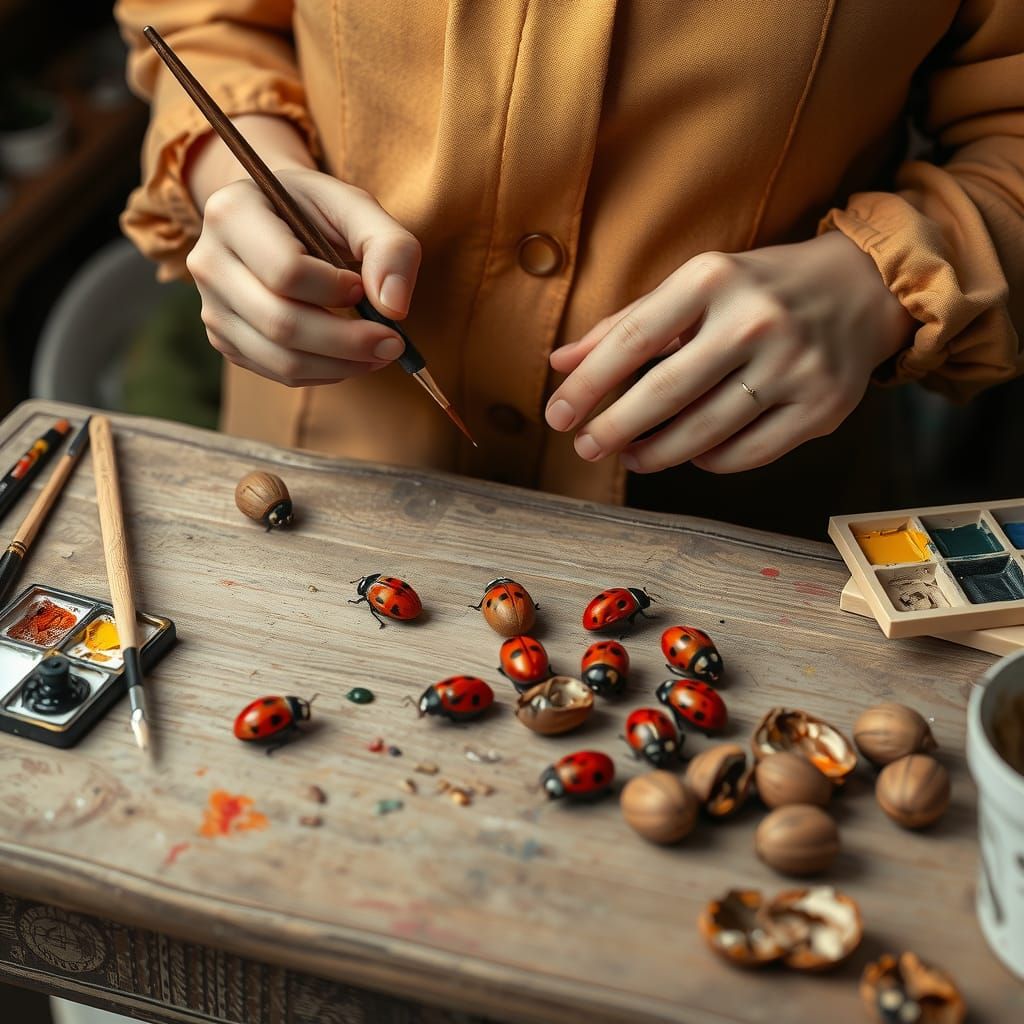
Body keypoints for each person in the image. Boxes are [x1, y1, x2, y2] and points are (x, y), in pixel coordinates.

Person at [113, 1, 1024, 521]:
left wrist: (878, 282)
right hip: (317, 488)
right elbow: (203, 21)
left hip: (739, 529)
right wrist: (245, 171)